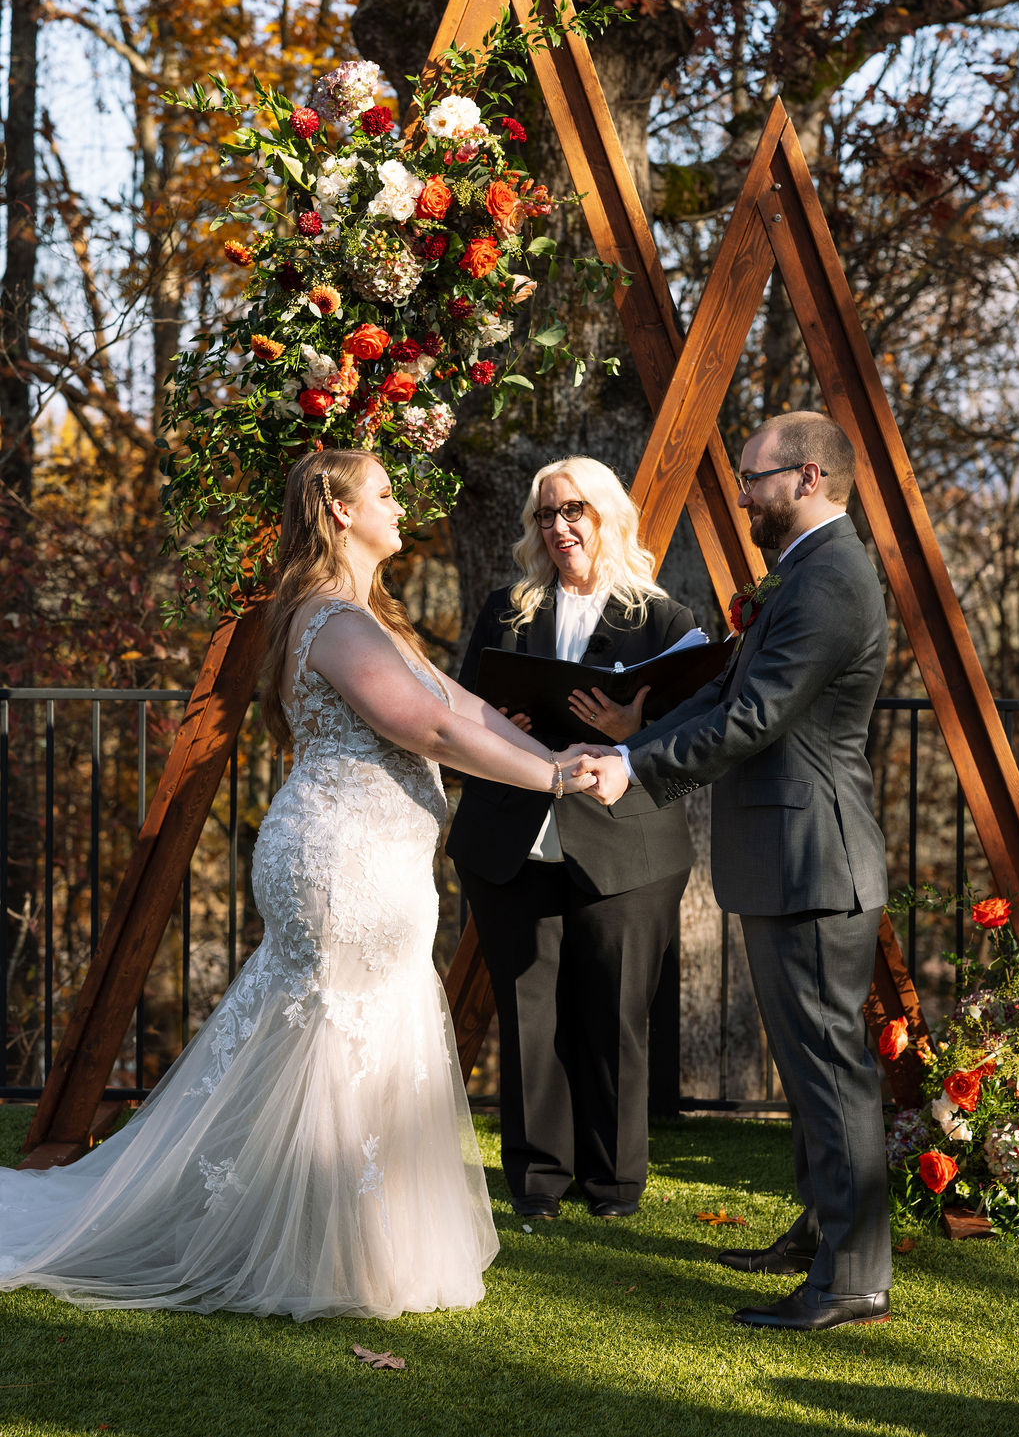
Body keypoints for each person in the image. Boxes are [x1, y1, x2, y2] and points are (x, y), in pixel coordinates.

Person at [0, 447, 594, 1321]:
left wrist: (561, 757)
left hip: (373, 857)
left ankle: (347, 1237)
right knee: (332, 1033)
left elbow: (464, 706)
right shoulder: (335, 621)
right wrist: (546, 781)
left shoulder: (366, 619)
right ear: (340, 511)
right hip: (340, 859)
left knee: (340, 1032)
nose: (402, 507)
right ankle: (312, 1244)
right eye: (386, 494)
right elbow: (423, 722)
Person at [574, 412, 892, 1330]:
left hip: (815, 859)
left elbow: (756, 716)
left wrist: (635, 769)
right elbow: (725, 692)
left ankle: (853, 1278)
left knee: (830, 1068)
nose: (743, 494)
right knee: (810, 1064)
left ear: (810, 478)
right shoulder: (803, 571)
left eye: (755, 479)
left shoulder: (830, 578)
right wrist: (639, 742)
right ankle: (825, 1231)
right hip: (792, 859)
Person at [446, 456, 697, 1221]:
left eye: (574, 510)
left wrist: (635, 730)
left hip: (630, 845)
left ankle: (615, 1185)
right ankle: (537, 1183)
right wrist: (503, 725)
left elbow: (698, 737)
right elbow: (463, 708)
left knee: (615, 1013)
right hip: (513, 837)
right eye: (546, 515)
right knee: (529, 1012)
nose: (558, 526)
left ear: (609, 517)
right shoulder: (507, 610)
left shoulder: (665, 619)